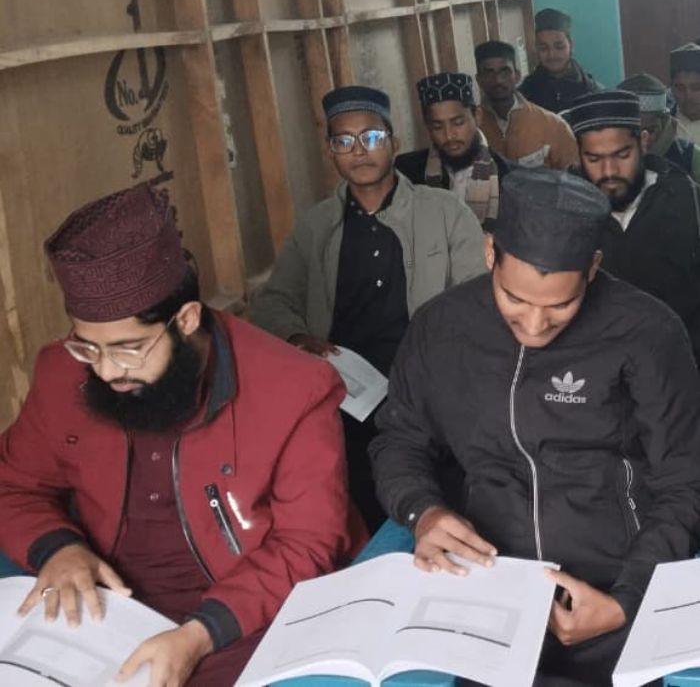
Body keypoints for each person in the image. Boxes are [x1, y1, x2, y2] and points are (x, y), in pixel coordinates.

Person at [0, 184, 358, 686]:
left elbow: (306, 544)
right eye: (88, 346)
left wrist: (199, 635)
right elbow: (14, 485)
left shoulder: (295, 389)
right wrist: (57, 548)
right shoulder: (62, 372)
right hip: (107, 612)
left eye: (128, 349)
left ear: (186, 319)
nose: (105, 370)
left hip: (243, 617)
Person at [370, 167, 700, 685]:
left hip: (613, 589)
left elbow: (684, 481)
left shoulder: (648, 333)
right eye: (515, 299)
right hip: (486, 593)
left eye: (561, 305)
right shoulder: (440, 328)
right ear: (490, 253)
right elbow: (399, 441)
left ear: (593, 268)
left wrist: (628, 599)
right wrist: (423, 511)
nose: (534, 325)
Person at [251, 85, 486, 532]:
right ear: (331, 152)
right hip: (343, 395)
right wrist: (298, 337)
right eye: (344, 141)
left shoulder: (443, 211)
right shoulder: (316, 225)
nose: (359, 151)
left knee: (442, 494)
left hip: (425, 387)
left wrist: (436, 359)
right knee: (350, 502)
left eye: (372, 138)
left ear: (394, 143)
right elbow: (275, 301)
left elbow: (478, 296)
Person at [563, 89, 700, 361]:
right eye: (594, 159)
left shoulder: (686, 198)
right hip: (599, 368)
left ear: (644, 142)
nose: (609, 172)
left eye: (622, 155)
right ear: (579, 154)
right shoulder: (562, 209)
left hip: (683, 363)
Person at [394, 71, 510, 224]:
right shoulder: (407, 172)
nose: (449, 135)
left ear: (477, 116)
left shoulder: (505, 175)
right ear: (427, 126)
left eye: (458, 123)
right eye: (437, 126)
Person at [475, 40, 578, 170]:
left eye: (505, 72)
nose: (498, 80)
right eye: (489, 73)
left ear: (517, 76)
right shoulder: (472, 129)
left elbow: (573, 180)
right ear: (479, 80)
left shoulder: (552, 126)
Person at [619, 72, 700, 183]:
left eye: (650, 130)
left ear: (663, 123)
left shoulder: (690, 157)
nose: (643, 139)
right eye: (634, 131)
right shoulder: (603, 160)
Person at [519, 8, 600, 114]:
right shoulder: (525, 94)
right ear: (536, 49)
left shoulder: (592, 92)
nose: (552, 55)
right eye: (543, 48)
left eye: (559, 47)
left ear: (571, 45)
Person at [671, 43, 700, 146]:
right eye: (680, 88)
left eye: (696, 88)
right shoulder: (662, 129)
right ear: (672, 89)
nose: (688, 96)